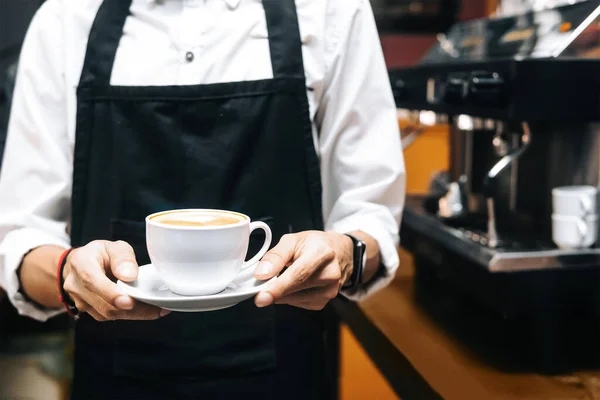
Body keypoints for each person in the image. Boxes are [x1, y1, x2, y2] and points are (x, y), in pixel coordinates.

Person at [0, 0, 405, 398]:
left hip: (286, 375)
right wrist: (67, 273)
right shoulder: (64, 18)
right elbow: (19, 239)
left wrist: (344, 254)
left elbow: (370, 218)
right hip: (113, 377)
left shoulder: (332, 11)